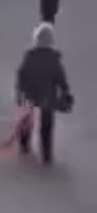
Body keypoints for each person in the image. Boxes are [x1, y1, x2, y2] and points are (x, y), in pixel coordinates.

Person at [15, 22, 72, 164]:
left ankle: (24, 144)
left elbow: (22, 74)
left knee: (26, 119)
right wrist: (65, 91)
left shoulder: (30, 56)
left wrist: (19, 92)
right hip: (48, 96)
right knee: (47, 125)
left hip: (30, 94)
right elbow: (60, 77)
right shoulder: (54, 58)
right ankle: (46, 154)